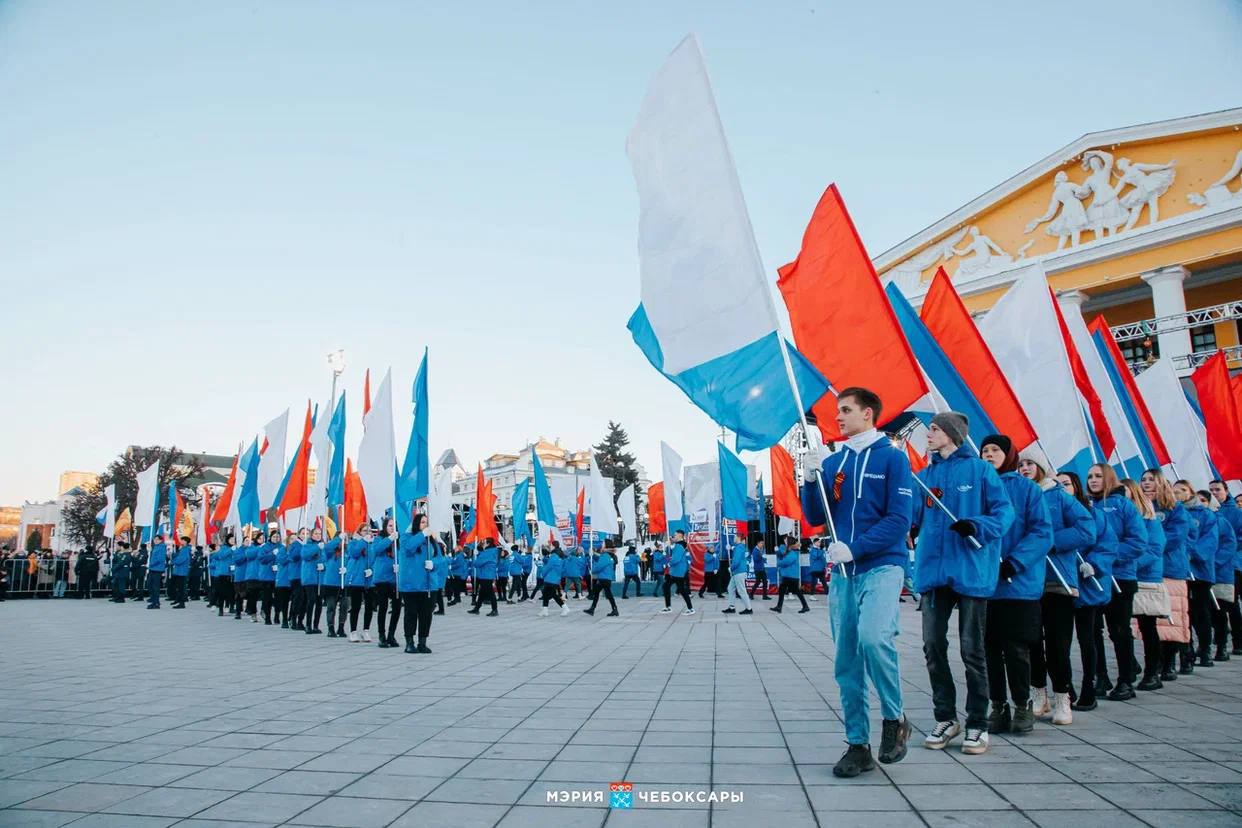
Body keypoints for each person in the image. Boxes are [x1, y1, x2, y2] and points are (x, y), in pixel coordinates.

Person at [800, 386, 915, 776]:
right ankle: (857, 744)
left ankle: (895, 718)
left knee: (874, 637)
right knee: (846, 659)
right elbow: (817, 516)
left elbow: (899, 520)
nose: (839, 417)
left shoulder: (893, 459)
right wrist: (811, 478)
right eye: (838, 411)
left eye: (846, 410)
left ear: (868, 413)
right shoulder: (836, 461)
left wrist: (857, 547)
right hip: (844, 575)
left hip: (882, 566)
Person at [913, 412, 1015, 756]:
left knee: (972, 649)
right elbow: (910, 513)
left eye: (935, 429)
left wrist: (977, 526)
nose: (929, 434)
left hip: (970, 570)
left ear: (953, 434)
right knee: (931, 644)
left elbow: (1004, 512)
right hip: (933, 573)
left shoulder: (980, 470)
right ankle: (946, 717)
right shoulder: (925, 476)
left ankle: (977, 723)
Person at [978, 435, 1052, 737]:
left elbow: (1041, 532)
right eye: (985, 450)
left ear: (1009, 454)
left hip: (1018, 584)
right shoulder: (978, 488)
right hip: (983, 584)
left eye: (996, 450)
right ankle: (998, 705)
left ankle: (1022, 704)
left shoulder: (1027, 489)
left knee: (1017, 648)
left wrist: (1014, 562)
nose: (989, 454)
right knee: (989, 649)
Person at [1021, 448, 1093, 727]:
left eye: (1030, 464)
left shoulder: (1059, 497)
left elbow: (1087, 528)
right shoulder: (1020, 496)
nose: (1025, 468)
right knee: (1031, 642)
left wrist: (1050, 541)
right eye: (1022, 464)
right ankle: (1039, 693)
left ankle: (1063, 697)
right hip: (1028, 581)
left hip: (1057, 581)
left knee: (1058, 643)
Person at [1086, 464, 1147, 701]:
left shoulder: (1123, 505)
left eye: (1098, 476)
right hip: (1093, 577)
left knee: (1119, 630)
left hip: (1120, 577)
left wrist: (1108, 556)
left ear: (1109, 478)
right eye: (1090, 476)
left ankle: (1125, 680)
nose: (1093, 480)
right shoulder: (1088, 506)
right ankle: (1101, 676)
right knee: (1093, 630)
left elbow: (1137, 541)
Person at [1142, 469, 1192, 681]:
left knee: (1171, 618)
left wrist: (1153, 541)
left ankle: (1170, 659)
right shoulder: (1141, 508)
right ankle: (1156, 660)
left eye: (1151, 480)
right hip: (1149, 569)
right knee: (1151, 620)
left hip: (1170, 568)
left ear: (1161, 483)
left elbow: (1176, 536)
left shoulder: (1175, 509)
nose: (1146, 483)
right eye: (1143, 480)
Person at [1122, 479, 1166, 690]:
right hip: (1123, 576)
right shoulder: (1118, 516)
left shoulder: (1149, 519)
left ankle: (1152, 672)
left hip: (1145, 576)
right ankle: (1130, 664)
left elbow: (1154, 549)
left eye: (1125, 491)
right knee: (1120, 627)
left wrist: (1130, 563)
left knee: (1147, 627)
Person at [1177, 481, 1217, 669]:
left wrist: (1191, 553)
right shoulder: (1175, 512)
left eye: (1183, 490)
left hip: (1200, 571)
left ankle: (1205, 648)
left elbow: (1210, 540)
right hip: (1181, 570)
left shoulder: (1206, 515)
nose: (1179, 494)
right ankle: (1187, 651)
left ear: (1190, 492)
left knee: (1201, 612)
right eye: (1175, 490)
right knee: (1184, 614)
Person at [1204, 490, 1238, 661]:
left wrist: (1214, 562)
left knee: (1220, 612)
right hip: (1202, 572)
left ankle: (1222, 646)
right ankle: (1206, 647)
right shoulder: (1198, 520)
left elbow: (1229, 544)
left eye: (1204, 500)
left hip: (1220, 572)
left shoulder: (1221, 521)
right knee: (1204, 613)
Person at [398, 514, 439, 653]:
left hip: (428, 584)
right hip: (411, 585)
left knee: (426, 614)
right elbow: (409, 548)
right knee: (411, 614)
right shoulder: (406, 538)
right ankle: (409, 642)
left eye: (426, 522)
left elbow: (441, 558)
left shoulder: (431, 540)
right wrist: (422, 534)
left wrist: (434, 564)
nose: (425, 525)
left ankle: (423, 642)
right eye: (422, 522)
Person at [371, 519, 399, 648]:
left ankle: (391, 635)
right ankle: (381, 635)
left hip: (395, 578)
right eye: (390, 525)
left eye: (394, 526)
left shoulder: (398, 540)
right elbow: (376, 550)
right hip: (382, 578)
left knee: (397, 608)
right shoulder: (379, 538)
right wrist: (389, 539)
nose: (392, 528)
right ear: (385, 526)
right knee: (383, 607)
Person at [345, 525, 373, 641]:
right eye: (365, 530)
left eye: (369, 530)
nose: (367, 532)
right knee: (356, 606)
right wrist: (362, 541)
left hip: (369, 579)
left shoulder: (372, 544)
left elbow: (375, 559)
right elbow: (354, 553)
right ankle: (353, 631)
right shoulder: (354, 542)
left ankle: (366, 630)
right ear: (360, 532)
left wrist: (372, 570)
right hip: (357, 579)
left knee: (369, 607)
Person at [770, 536, 809, 614]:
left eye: (786, 540)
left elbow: (784, 562)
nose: (784, 541)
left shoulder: (793, 553)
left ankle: (805, 606)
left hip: (791, 576)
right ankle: (779, 607)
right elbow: (782, 552)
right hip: (788, 575)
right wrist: (778, 552)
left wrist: (778, 560)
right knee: (783, 590)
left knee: (796, 591)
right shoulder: (790, 551)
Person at [660, 529, 695, 615]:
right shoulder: (681, 545)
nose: (673, 537)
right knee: (666, 586)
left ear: (680, 536)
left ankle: (690, 608)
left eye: (675, 535)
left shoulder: (679, 546)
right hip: (676, 571)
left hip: (678, 571)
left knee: (682, 590)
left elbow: (676, 559)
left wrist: (669, 563)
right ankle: (668, 607)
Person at [300, 527, 326, 634]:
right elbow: (305, 556)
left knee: (319, 602)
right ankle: (308, 625)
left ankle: (316, 625)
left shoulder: (323, 546)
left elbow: (326, 559)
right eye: (315, 533)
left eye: (319, 533)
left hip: (319, 578)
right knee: (311, 600)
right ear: (312, 535)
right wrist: (316, 548)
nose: (318, 535)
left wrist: (323, 565)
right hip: (310, 577)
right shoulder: (307, 545)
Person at [721, 534, 754, 615]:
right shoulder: (739, 547)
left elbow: (736, 560)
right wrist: (732, 548)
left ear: (739, 538)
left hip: (738, 571)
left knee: (741, 590)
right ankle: (732, 607)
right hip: (737, 572)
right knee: (730, 588)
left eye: (735, 536)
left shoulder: (739, 547)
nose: (734, 538)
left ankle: (749, 609)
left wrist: (731, 568)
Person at [584, 545, 619, 616]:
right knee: (597, 593)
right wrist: (593, 555)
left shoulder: (605, 556)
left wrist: (593, 570)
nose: (601, 547)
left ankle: (615, 609)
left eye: (603, 545)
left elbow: (599, 566)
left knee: (608, 594)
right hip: (605, 578)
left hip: (604, 578)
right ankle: (592, 609)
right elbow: (599, 559)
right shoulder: (609, 556)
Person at [469, 538, 499, 616]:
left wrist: (477, 555)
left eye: (484, 542)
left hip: (486, 575)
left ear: (488, 544)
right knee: (482, 593)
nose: (483, 543)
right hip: (487, 574)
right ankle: (477, 608)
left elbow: (477, 564)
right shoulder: (492, 551)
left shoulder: (487, 553)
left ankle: (495, 610)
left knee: (491, 593)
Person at [538, 545, 570, 617]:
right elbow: (563, 570)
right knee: (547, 594)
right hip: (555, 579)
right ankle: (545, 610)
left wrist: (542, 574)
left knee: (552, 595)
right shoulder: (560, 560)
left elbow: (547, 568)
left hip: (549, 579)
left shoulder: (553, 558)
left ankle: (564, 607)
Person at [255, 531, 278, 623]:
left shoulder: (281, 547)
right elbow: (262, 559)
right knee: (267, 597)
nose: (276, 538)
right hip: (267, 576)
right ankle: (267, 617)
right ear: (270, 537)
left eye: (277, 537)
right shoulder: (264, 547)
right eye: (274, 536)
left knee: (278, 598)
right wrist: (272, 554)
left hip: (278, 576)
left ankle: (276, 616)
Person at [274, 533, 293, 628]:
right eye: (291, 539)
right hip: (284, 579)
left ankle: (291, 617)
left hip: (294, 579)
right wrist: (290, 554)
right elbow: (281, 560)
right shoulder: (283, 550)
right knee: (284, 601)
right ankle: (284, 618)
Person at [146, 534, 169, 609]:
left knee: (155, 586)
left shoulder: (162, 547)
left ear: (160, 540)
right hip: (152, 569)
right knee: (150, 584)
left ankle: (156, 603)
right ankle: (153, 599)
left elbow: (160, 559)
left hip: (157, 569)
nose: (155, 541)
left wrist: (152, 564)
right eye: (154, 539)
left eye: (157, 539)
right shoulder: (156, 547)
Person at [169, 538, 190, 608]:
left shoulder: (186, 549)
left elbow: (181, 559)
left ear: (186, 541)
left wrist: (173, 562)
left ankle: (182, 603)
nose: (181, 541)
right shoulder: (182, 549)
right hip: (178, 571)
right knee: (178, 587)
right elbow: (177, 556)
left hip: (182, 571)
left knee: (181, 588)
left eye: (182, 540)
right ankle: (178, 600)